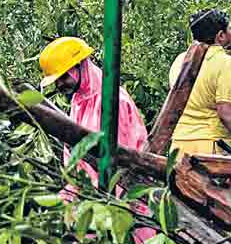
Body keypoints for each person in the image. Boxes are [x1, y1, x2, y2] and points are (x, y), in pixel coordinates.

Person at [39, 37, 149, 180]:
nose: (60, 85)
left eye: (64, 76)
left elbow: (123, 160)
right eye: (56, 80)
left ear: (80, 65)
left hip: (119, 191)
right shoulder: (79, 100)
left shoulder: (113, 100)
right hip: (88, 189)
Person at [168, 10, 231, 160]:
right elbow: (226, 114)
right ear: (221, 36)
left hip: (179, 147)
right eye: (230, 28)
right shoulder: (227, 64)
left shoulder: (180, 60)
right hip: (211, 149)